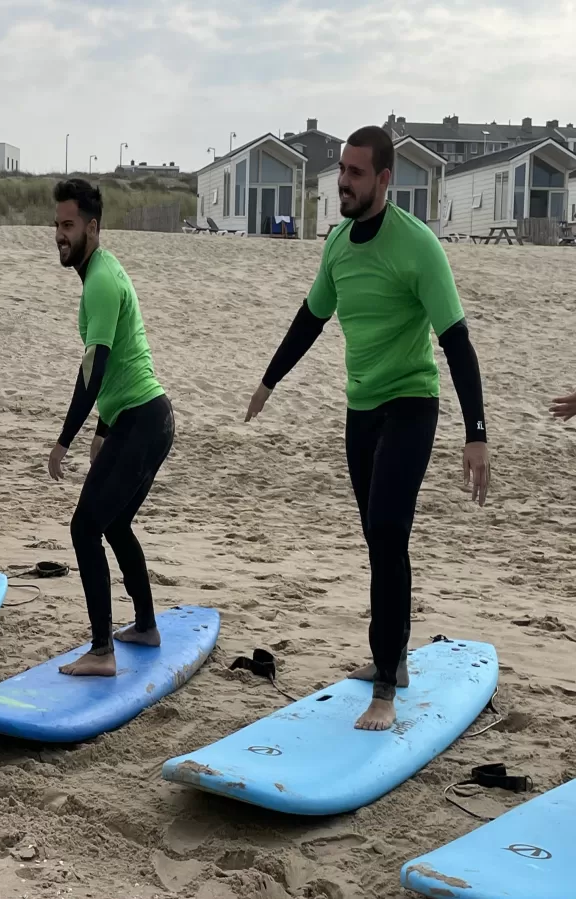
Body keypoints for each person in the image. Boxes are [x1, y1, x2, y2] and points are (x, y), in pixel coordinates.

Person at [246, 125, 491, 732]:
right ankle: (397, 659)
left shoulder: (418, 246)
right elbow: (311, 316)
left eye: (355, 174)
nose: (343, 184)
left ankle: (385, 684)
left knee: (386, 529)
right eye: (341, 173)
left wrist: (476, 431)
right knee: (379, 538)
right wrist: (269, 381)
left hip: (412, 403)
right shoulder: (337, 245)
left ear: (384, 179)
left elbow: (456, 341)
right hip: (361, 411)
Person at [46, 178, 174, 677]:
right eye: (57, 224)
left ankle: (102, 651)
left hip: (142, 420)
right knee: (114, 524)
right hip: (146, 418)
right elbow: (113, 361)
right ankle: (145, 624)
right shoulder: (103, 269)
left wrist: (64, 441)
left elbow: (94, 370)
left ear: (92, 228)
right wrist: (102, 429)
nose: (60, 234)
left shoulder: (99, 280)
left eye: (69, 225)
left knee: (85, 528)